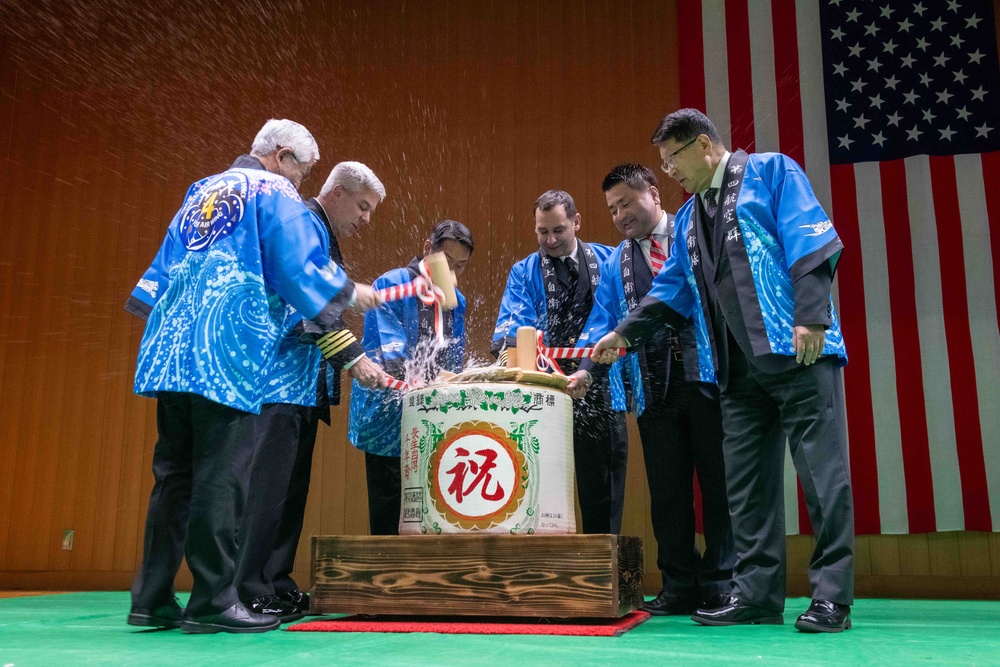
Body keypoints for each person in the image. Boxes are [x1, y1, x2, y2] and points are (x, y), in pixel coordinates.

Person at [591, 108, 853, 632]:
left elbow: (811, 240)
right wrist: (624, 334)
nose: (669, 171)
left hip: (797, 351)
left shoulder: (772, 172)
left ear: (705, 145)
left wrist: (811, 316)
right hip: (734, 371)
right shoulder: (689, 217)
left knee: (822, 479)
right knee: (747, 489)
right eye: (663, 163)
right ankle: (756, 595)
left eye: (673, 159)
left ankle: (832, 598)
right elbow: (673, 291)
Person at [124, 119, 381, 634]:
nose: (301, 183)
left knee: (173, 477)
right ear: (282, 157)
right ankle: (214, 602)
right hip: (226, 350)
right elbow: (297, 264)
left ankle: (150, 598)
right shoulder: (273, 190)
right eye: (303, 171)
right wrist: (350, 291)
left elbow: (158, 273)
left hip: (171, 345)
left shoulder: (203, 188)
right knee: (223, 476)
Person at [570, 164, 733, 615]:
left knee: (720, 486)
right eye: (612, 209)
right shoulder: (617, 261)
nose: (620, 215)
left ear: (654, 194)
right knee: (667, 492)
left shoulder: (693, 230)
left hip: (708, 380)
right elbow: (601, 321)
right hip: (653, 390)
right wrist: (586, 369)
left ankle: (723, 581)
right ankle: (679, 582)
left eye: (626, 202)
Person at [233, 162, 390, 623]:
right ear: (337, 193)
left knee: (288, 491)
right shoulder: (303, 222)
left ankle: (275, 582)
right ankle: (248, 588)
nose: (366, 219)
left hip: (301, 387)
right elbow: (310, 300)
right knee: (266, 492)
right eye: (363, 207)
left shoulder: (319, 231)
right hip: (279, 382)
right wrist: (354, 357)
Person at [493, 190, 627, 535]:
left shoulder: (609, 261)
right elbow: (513, 330)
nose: (550, 239)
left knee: (603, 490)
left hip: (599, 386)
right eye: (542, 232)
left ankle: (604, 572)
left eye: (558, 230)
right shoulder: (523, 272)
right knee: (539, 488)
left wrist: (588, 369)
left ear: (576, 222)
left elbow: (617, 320)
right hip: (543, 394)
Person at [348, 220, 474, 535]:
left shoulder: (456, 300)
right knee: (388, 502)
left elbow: (453, 359)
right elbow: (391, 352)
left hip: (434, 415)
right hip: (389, 411)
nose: (453, 272)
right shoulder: (393, 283)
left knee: (429, 503)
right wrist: (421, 386)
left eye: (461, 265)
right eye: (447, 262)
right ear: (427, 248)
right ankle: (385, 578)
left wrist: (454, 387)